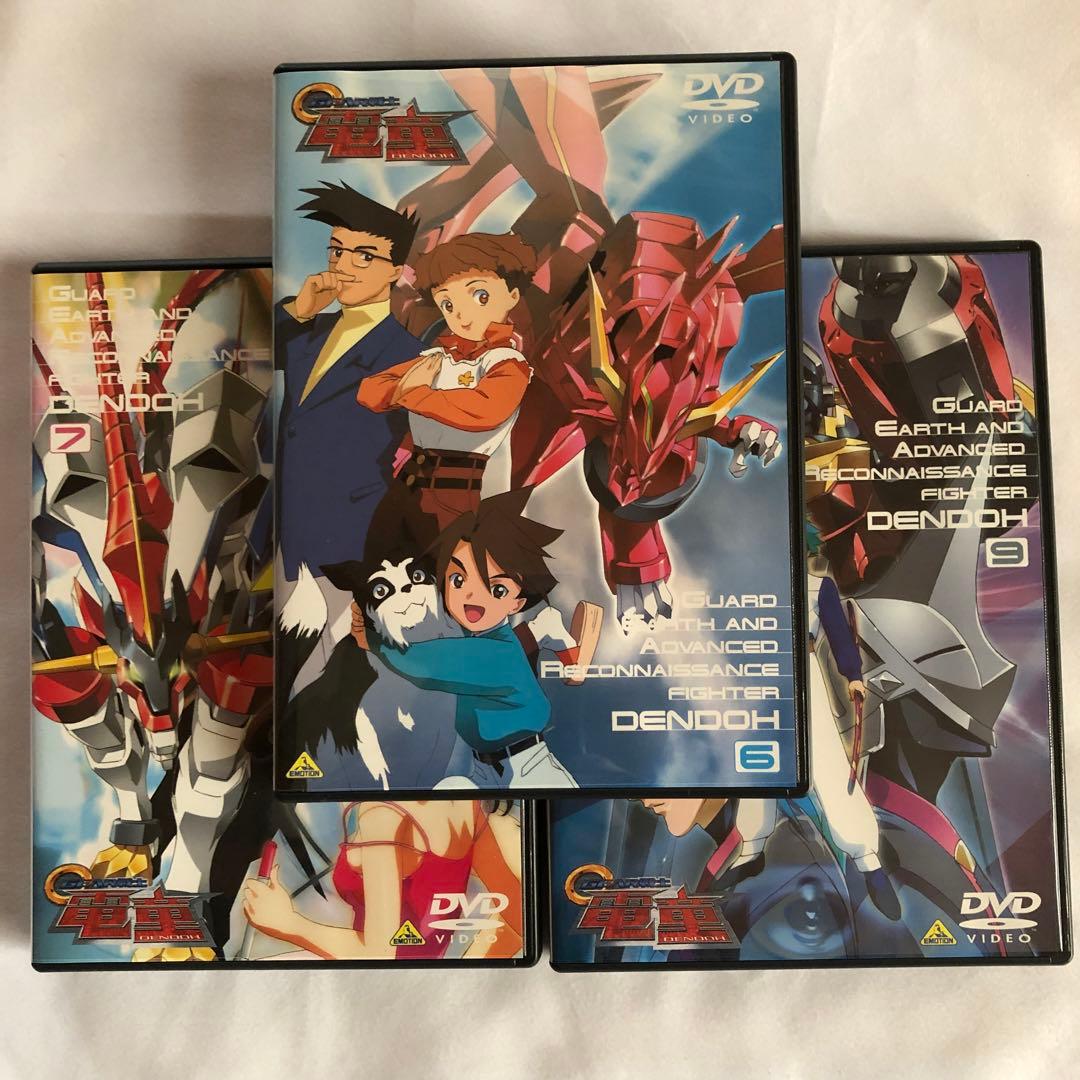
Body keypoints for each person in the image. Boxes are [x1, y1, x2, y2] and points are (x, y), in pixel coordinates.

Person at [275, 180, 425, 698]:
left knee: (329, 678)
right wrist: (300, 310)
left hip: (350, 538)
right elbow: (256, 353)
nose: (344, 266)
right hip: (286, 532)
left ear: (396, 271)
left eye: (365, 256)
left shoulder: (408, 354)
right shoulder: (305, 330)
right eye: (336, 251)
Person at [352, 490, 594, 787]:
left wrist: (372, 642)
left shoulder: (491, 653)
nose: (471, 596)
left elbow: (428, 666)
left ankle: (544, 628)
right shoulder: (478, 640)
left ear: (517, 603)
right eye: (458, 579)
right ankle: (543, 628)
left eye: (497, 589)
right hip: (486, 768)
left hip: (529, 771)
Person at [357, 232, 536, 552]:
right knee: (382, 559)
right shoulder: (439, 357)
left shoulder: (507, 362)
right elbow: (370, 390)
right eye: (448, 304)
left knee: (445, 563)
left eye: (480, 296)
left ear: (511, 295)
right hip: (408, 482)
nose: (462, 316)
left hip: (460, 487)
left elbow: (483, 410)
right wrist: (408, 389)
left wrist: (413, 393)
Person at [241, 801, 523, 961]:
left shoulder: (381, 815)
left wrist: (288, 923)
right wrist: (468, 965)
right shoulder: (464, 805)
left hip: (365, 979)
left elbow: (378, 953)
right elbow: (521, 916)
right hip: (412, 983)